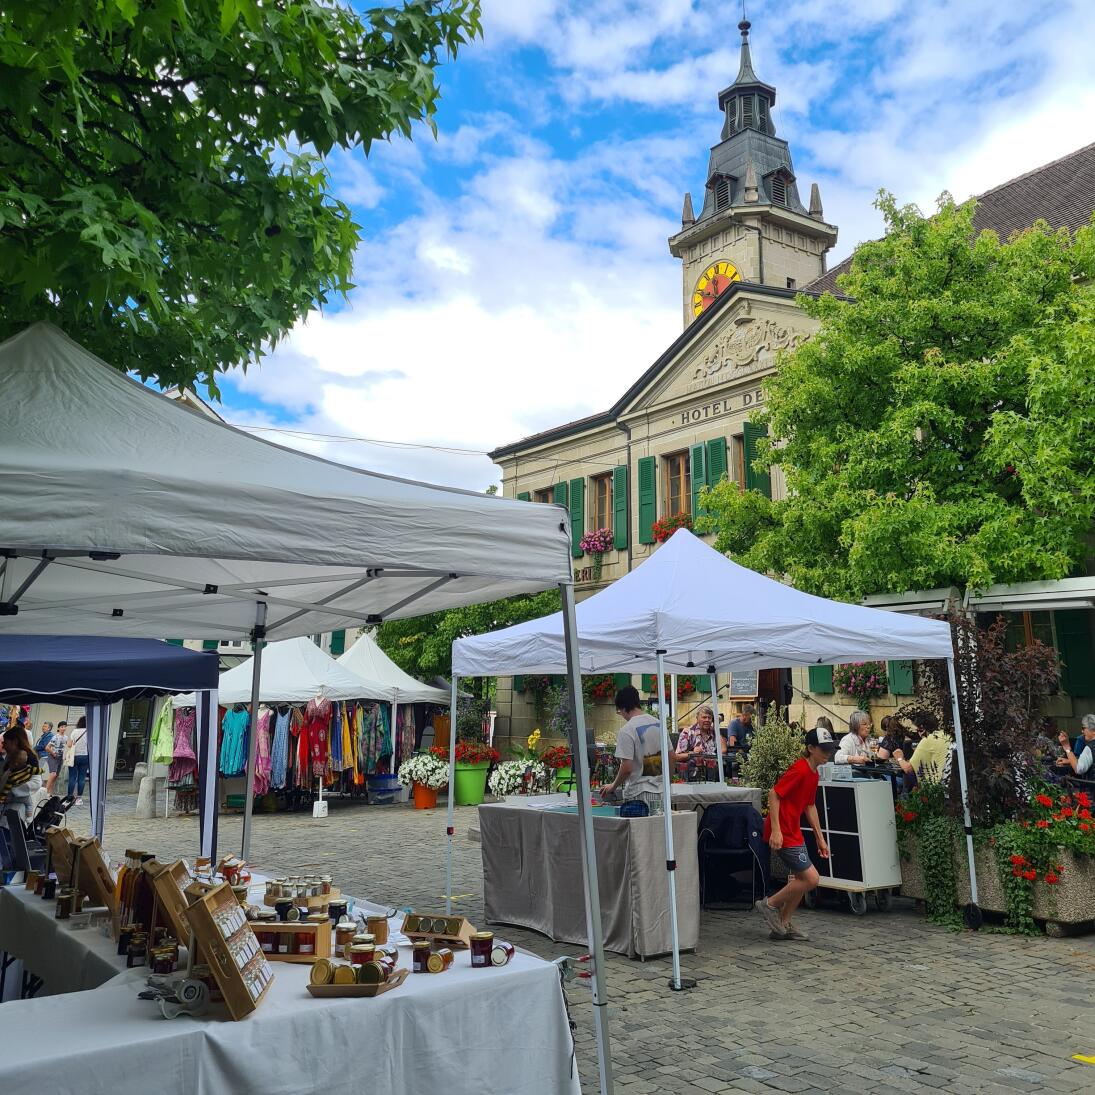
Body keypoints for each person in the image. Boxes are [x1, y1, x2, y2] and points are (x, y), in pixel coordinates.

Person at [755, 726, 836, 941]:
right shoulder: (800, 770)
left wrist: (820, 838)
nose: (828, 753)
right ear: (810, 748)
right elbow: (774, 794)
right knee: (811, 879)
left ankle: (782, 924)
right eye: (824, 749)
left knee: (801, 877)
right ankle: (769, 905)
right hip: (784, 833)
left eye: (830, 749)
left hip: (793, 831)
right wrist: (776, 831)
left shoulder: (813, 772)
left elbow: (810, 806)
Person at [601, 685, 664, 813]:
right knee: (658, 831)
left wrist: (613, 786)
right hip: (661, 792)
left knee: (638, 832)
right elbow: (671, 757)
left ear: (623, 707)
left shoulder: (627, 730)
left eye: (619, 711)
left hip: (638, 794)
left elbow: (627, 768)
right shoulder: (659, 724)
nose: (621, 715)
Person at [906, 712, 952, 783]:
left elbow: (909, 769)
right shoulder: (946, 735)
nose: (918, 734)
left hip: (936, 786)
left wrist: (899, 758)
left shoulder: (927, 739)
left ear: (922, 728)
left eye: (918, 730)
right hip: (951, 781)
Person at [66, 716, 91, 806]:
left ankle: (69, 798)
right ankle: (79, 798)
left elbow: (69, 744)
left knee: (72, 777)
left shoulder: (75, 731)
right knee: (82, 778)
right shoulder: (90, 732)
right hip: (85, 756)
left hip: (74, 756)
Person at [42, 720, 65, 795]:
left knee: (55, 776)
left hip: (60, 757)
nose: (63, 728)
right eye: (62, 727)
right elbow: (47, 747)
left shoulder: (65, 737)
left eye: (65, 727)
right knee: (53, 774)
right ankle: (45, 792)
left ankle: (50, 793)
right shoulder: (55, 737)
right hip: (53, 756)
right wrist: (53, 753)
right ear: (58, 728)